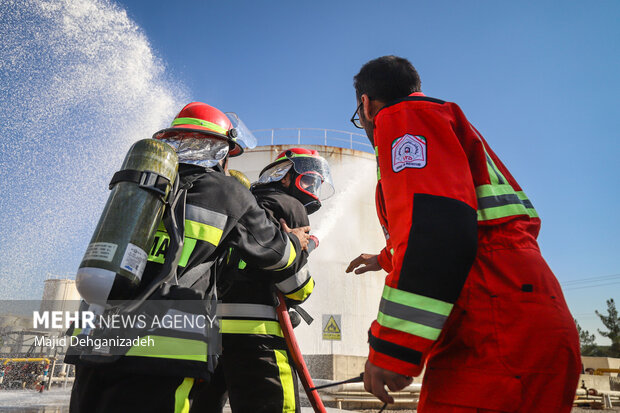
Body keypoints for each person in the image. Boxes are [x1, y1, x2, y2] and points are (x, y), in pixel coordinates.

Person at [346, 56, 580, 413]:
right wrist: (383, 258)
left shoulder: (403, 118)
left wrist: (391, 349)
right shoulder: (446, 123)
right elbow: (463, 224)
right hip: (526, 313)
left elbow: (436, 232)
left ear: (366, 104)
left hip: (494, 326)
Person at [67, 102, 312, 413]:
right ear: (219, 148)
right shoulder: (228, 192)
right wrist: (297, 240)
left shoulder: (140, 183)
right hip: (165, 349)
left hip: (94, 339)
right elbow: (280, 256)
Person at [190, 148, 334, 413]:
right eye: (309, 179)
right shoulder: (290, 206)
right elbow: (295, 287)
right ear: (287, 177)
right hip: (258, 338)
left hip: (210, 336)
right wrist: (303, 273)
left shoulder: (241, 202)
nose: (312, 187)